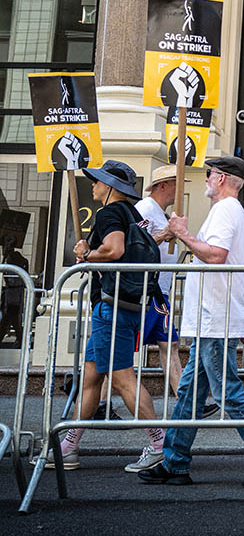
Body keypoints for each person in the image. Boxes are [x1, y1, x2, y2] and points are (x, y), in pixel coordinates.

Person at [139, 156, 244, 489]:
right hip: (215, 316)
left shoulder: (226, 212)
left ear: (222, 178)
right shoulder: (238, 215)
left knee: (226, 392)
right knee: (189, 394)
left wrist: (181, 234)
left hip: (216, 316)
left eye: (210, 174)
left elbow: (215, 256)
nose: (207, 178)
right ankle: (174, 462)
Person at [47, 160, 165, 473]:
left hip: (111, 308)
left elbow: (114, 250)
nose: (94, 185)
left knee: (122, 379)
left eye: (98, 181)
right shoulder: (133, 214)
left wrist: (86, 254)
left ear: (111, 187)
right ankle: (68, 447)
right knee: (91, 378)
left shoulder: (110, 213)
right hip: (124, 305)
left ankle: (159, 444)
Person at [133, 166, 187, 400]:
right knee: (123, 354)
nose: (180, 191)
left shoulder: (161, 213)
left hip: (159, 292)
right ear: (163, 185)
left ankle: (187, 400)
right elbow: (135, 245)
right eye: (177, 184)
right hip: (146, 292)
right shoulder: (145, 209)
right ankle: (99, 402)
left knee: (170, 346)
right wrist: (163, 235)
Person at [0, 235, 29, 347]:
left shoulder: (10, 257)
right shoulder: (21, 259)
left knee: (10, 317)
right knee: (13, 318)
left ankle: (20, 339)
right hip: (17, 291)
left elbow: (5, 274)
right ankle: (20, 339)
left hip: (12, 292)